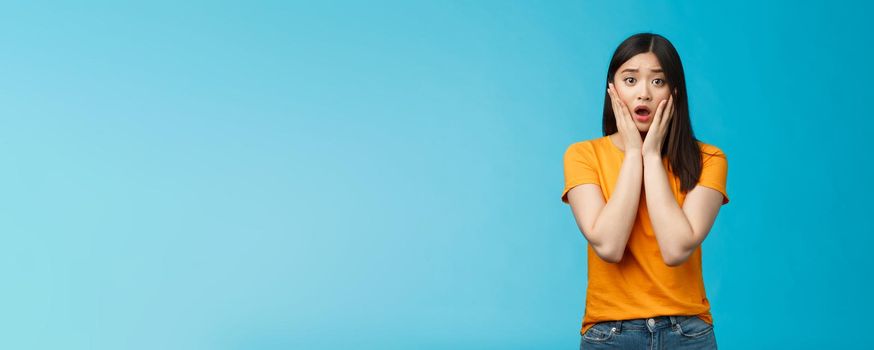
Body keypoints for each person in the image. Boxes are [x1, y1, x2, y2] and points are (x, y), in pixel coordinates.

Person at [562, 33, 728, 349]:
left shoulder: (709, 159)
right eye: (630, 80)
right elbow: (609, 246)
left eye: (657, 81)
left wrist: (651, 156)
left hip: (687, 333)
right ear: (612, 89)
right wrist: (632, 155)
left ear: (674, 92)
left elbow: (675, 249)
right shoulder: (583, 155)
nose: (643, 93)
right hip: (610, 335)